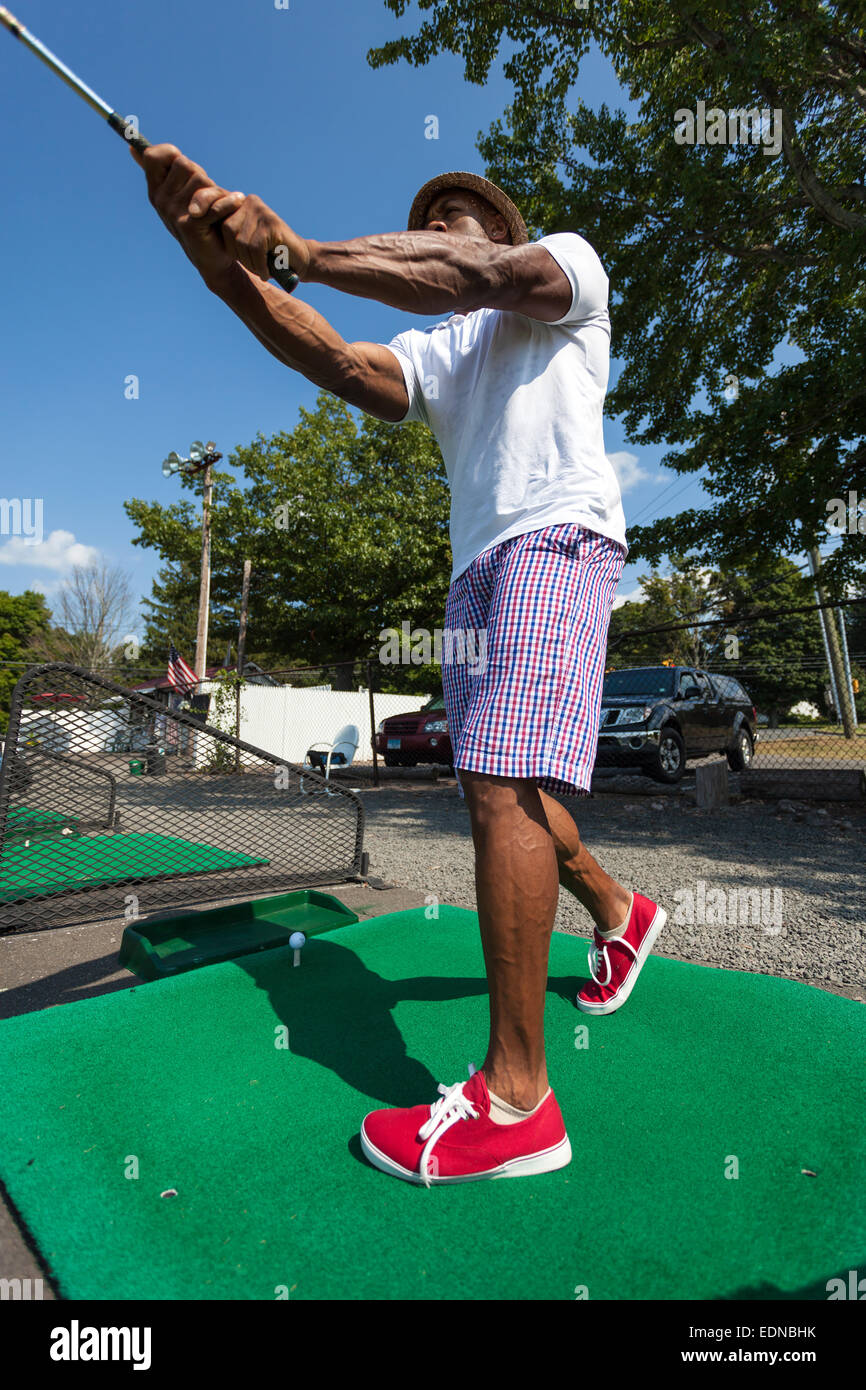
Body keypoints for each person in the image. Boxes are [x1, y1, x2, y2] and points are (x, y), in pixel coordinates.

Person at [133, 146, 667, 1185]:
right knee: (498, 782)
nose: (444, 222)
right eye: (430, 212)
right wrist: (218, 264)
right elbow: (336, 359)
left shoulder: (561, 270)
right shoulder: (437, 356)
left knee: (501, 785)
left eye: (460, 213)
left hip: (553, 536)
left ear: (500, 233)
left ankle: (519, 1100)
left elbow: (472, 275)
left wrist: (297, 248)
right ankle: (618, 909)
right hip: (475, 569)